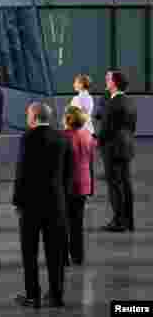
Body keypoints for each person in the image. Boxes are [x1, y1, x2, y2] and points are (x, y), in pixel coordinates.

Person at [13, 102, 72, 308]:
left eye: (28, 114)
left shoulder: (27, 138)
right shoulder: (63, 138)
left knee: (29, 252)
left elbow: (22, 172)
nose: (27, 118)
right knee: (55, 252)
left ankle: (33, 295)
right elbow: (68, 174)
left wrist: (17, 200)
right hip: (56, 203)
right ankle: (56, 295)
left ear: (36, 117)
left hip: (31, 204)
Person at [97, 69, 137, 233]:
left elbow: (105, 130)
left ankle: (118, 221)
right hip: (127, 146)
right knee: (126, 184)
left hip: (112, 149)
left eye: (108, 79)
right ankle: (129, 221)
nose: (106, 81)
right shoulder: (130, 101)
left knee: (114, 186)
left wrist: (97, 143)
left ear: (114, 83)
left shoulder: (112, 103)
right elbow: (132, 127)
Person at [62, 105, 95, 266]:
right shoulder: (88, 136)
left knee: (63, 222)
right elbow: (90, 163)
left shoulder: (64, 136)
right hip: (83, 183)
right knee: (77, 222)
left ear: (68, 119)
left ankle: (63, 256)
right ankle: (78, 256)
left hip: (67, 185)